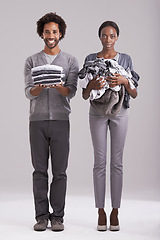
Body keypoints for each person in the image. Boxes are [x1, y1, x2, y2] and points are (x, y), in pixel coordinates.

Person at [80, 21, 139, 231]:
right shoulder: (90, 59)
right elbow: (85, 95)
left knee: (117, 163)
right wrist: (92, 85)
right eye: (104, 36)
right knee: (99, 162)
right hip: (96, 112)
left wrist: (123, 80)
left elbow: (134, 93)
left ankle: (115, 210)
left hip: (120, 112)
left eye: (112, 36)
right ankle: (100, 210)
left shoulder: (125, 59)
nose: (108, 40)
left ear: (117, 38)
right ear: (99, 37)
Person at [24, 12, 79, 232]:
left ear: (61, 33)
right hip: (37, 121)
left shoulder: (70, 61)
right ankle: (41, 217)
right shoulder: (31, 60)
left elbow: (72, 91)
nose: (51, 35)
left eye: (54, 31)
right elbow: (28, 92)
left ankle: (57, 217)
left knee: (60, 171)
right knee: (39, 171)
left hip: (60, 121)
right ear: (42, 33)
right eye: (47, 31)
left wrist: (58, 86)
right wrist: (41, 86)